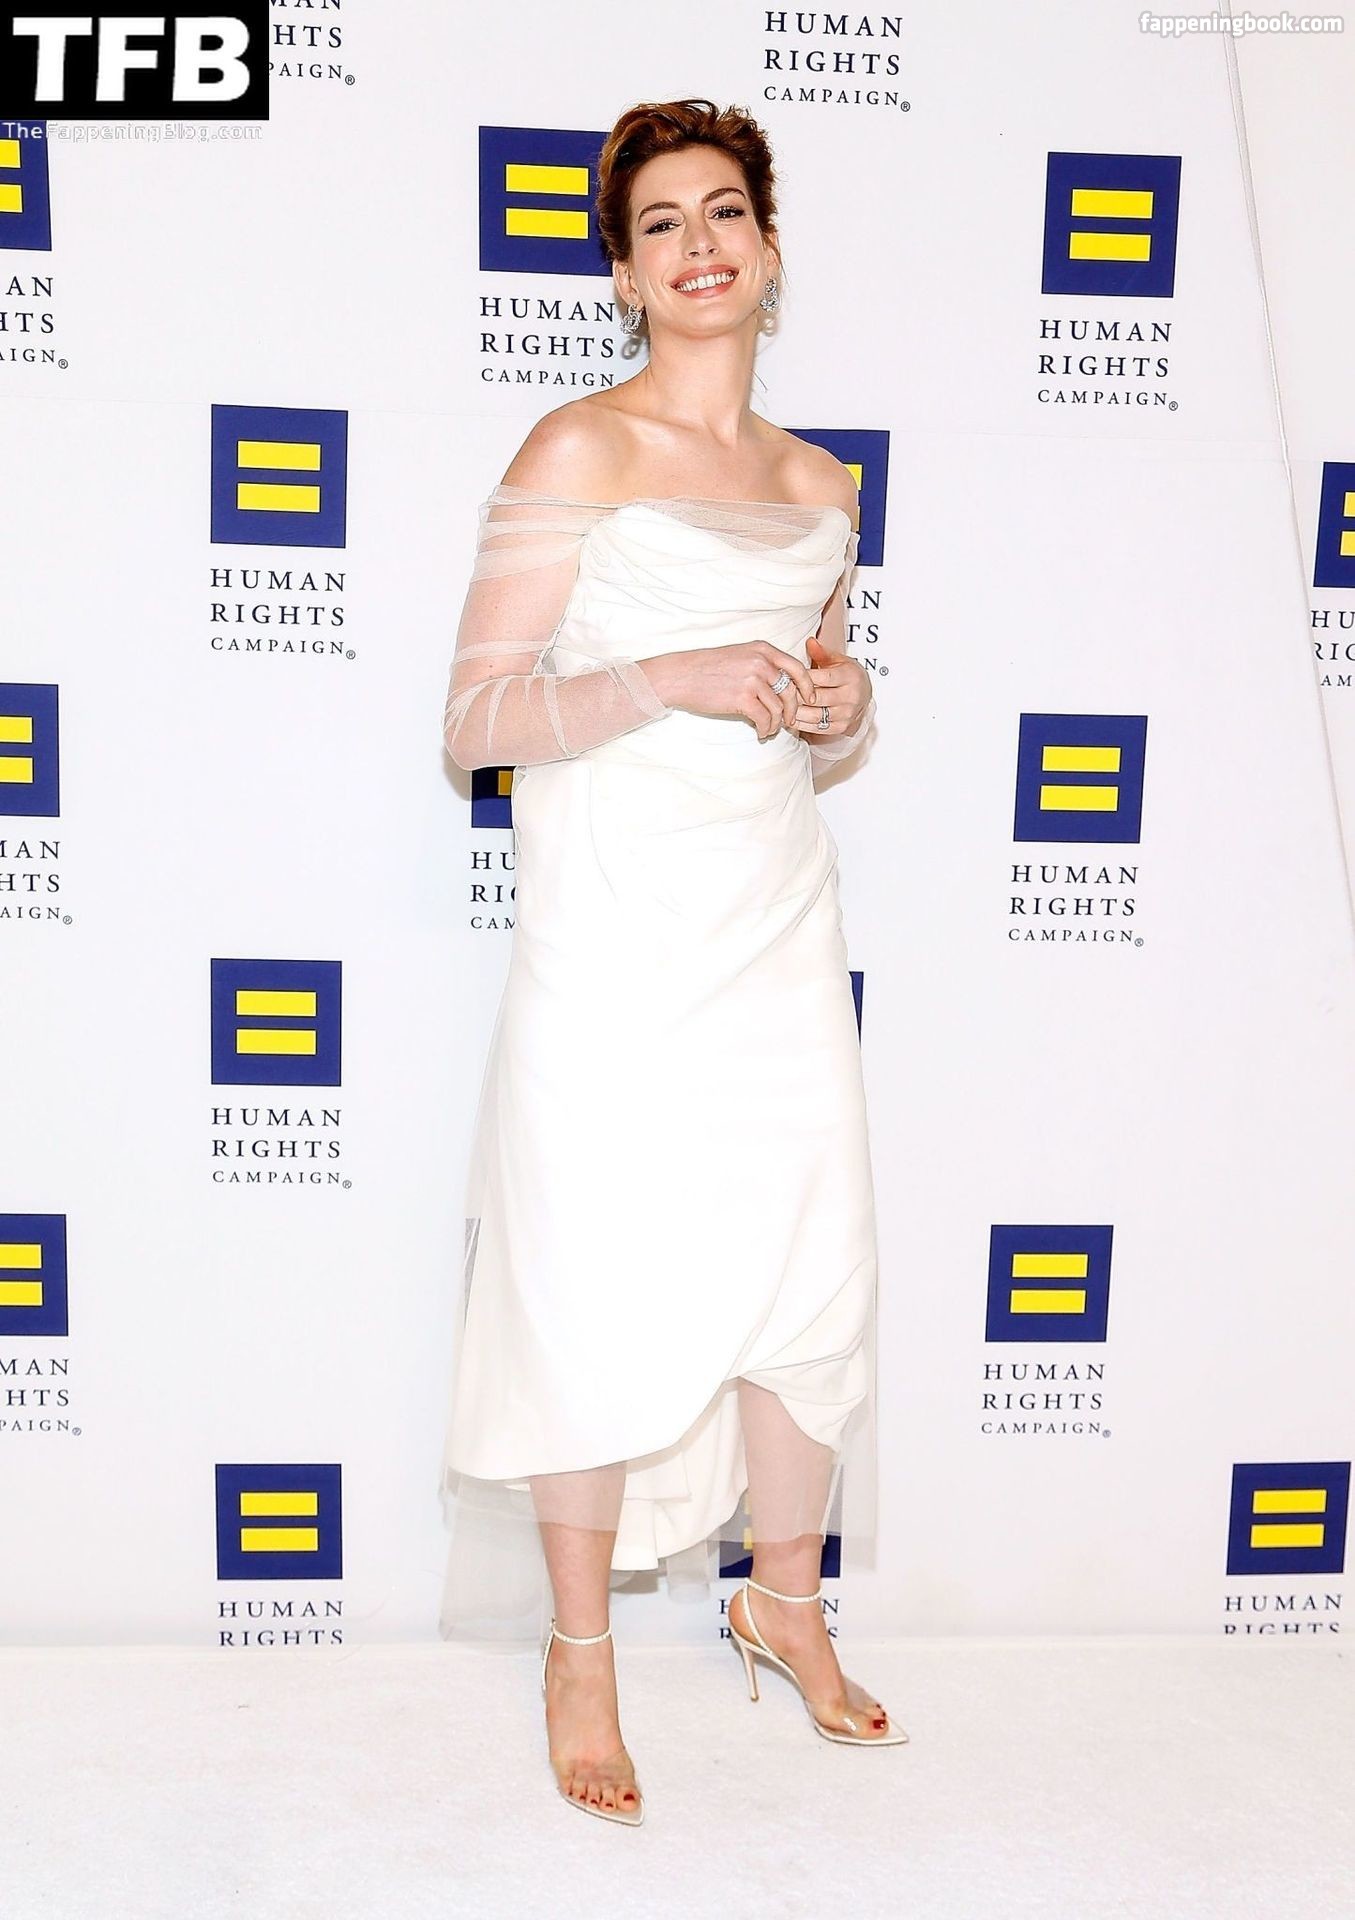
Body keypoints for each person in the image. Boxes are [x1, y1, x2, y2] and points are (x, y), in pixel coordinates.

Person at [438, 97, 904, 1828]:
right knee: (588, 1265)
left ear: (769, 251)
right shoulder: (578, 448)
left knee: (811, 1262)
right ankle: (580, 1652)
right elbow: (475, 724)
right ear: (624, 275)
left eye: (725, 213)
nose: (699, 245)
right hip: (613, 934)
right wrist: (667, 679)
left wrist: (844, 701)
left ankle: (787, 1604)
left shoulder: (820, 486)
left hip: (775, 917)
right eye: (660, 224)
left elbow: (821, 705)